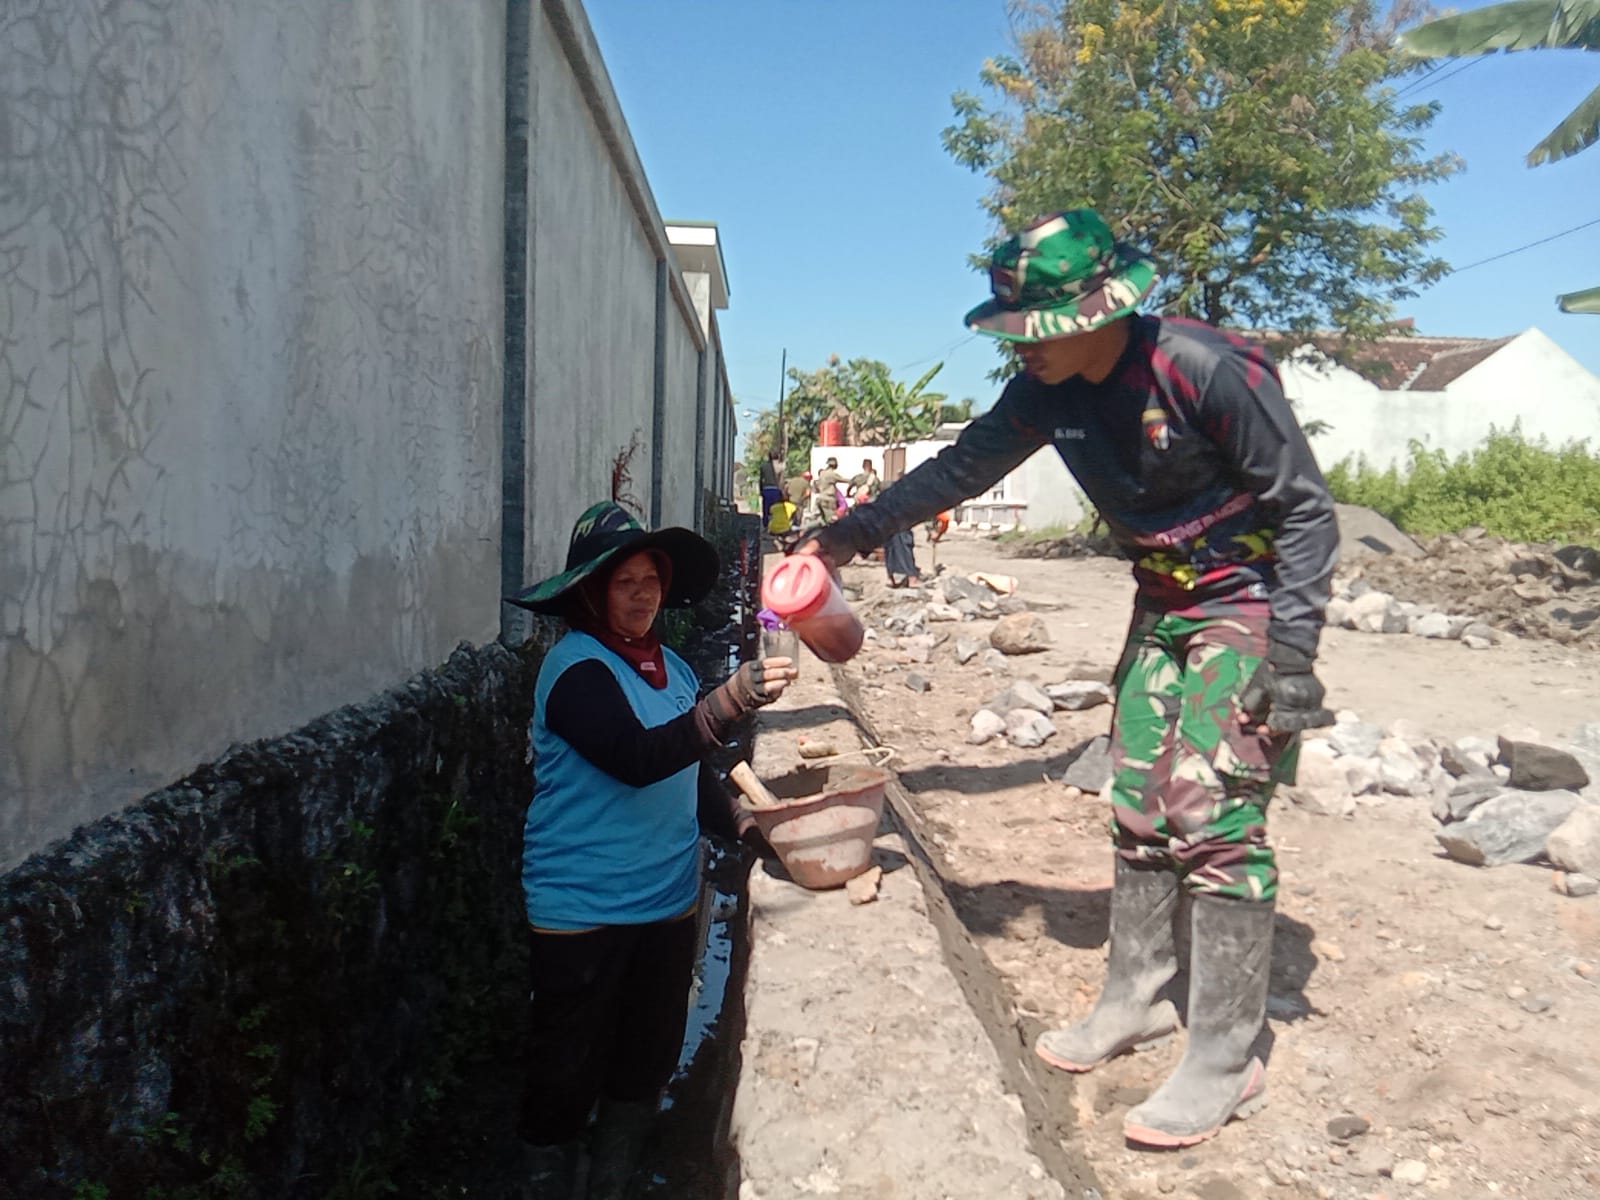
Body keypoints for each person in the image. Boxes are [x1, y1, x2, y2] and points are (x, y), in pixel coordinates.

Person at [799, 209, 1338, 1148]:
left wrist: (1292, 656)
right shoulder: (1045, 391)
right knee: (1136, 804)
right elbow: (962, 468)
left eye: (1038, 329)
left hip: (1243, 608)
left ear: (1101, 313)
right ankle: (1134, 1000)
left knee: (1215, 819)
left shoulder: (1204, 369)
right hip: (1161, 607)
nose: (1025, 348)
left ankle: (1224, 1055)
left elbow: (1306, 513)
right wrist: (847, 536)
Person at [506, 501, 797, 1197]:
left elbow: (685, 775)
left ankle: (615, 1173)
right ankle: (548, 1171)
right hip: (582, 907)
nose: (640, 595)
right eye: (622, 582)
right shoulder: (575, 671)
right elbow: (637, 757)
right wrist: (729, 703)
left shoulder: (667, 664)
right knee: (567, 1061)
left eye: (650, 580)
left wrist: (747, 826)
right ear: (589, 593)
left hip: (666, 901)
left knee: (648, 1050)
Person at [813, 457, 846, 525]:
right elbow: (844, 480)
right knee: (831, 521)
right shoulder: (832, 474)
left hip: (820, 498)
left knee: (819, 520)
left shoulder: (822, 473)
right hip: (829, 499)